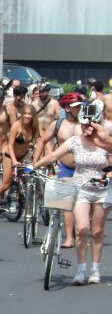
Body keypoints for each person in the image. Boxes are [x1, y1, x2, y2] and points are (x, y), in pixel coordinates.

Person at [34, 102, 112, 285]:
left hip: (101, 189)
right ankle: (81, 269)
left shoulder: (105, 143)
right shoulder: (75, 141)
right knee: (82, 228)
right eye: (83, 124)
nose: (87, 128)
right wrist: (34, 165)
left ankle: (95, 269)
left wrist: (108, 176)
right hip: (81, 187)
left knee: (97, 231)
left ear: (97, 124)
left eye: (90, 124)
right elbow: (53, 156)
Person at [33, 92, 83, 248]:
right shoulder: (58, 124)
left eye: (80, 106)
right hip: (65, 168)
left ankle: (80, 234)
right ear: (67, 108)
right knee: (66, 203)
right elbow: (42, 141)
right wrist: (35, 161)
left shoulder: (85, 124)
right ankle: (69, 237)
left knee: (82, 203)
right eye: (76, 107)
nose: (79, 109)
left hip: (83, 169)